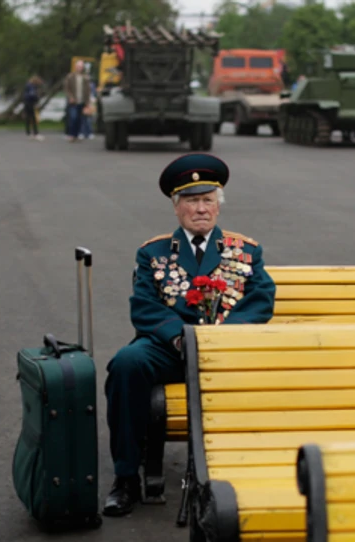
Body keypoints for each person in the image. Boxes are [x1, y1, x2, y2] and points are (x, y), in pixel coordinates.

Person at [102, 153, 277, 517]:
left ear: (218, 206)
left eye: (208, 200)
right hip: (173, 348)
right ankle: (126, 478)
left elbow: (261, 299)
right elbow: (145, 305)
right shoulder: (153, 253)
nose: (201, 209)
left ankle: (258, 472)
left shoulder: (245, 251)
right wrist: (178, 337)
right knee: (126, 364)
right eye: (192, 201)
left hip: (227, 350)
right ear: (176, 206)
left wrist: (225, 336)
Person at [64, 60, 91, 142]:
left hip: (82, 101)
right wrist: (70, 97)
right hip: (73, 101)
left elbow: (88, 90)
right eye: (78, 66)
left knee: (79, 119)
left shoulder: (85, 77)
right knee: (73, 117)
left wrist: (87, 102)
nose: (80, 68)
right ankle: (71, 134)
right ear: (75, 67)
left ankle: (76, 135)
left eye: (81, 66)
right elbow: (66, 88)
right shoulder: (70, 76)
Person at [23, 75, 43, 140]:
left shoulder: (28, 85)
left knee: (28, 118)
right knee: (33, 118)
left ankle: (28, 132)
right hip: (30, 103)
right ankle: (35, 133)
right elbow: (32, 95)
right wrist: (36, 101)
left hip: (27, 103)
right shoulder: (32, 87)